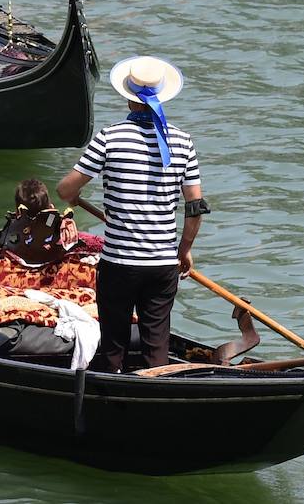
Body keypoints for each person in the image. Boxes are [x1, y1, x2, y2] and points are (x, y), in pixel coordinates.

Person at [56, 56, 208, 373]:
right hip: (163, 265)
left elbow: (64, 190)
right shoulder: (182, 141)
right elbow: (195, 206)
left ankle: (110, 399)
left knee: (113, 346)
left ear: (128, 96)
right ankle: (154, 401)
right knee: (157, 350)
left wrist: (73, 196)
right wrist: (185, 249)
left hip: (119, 263)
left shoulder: (109, 137)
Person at [12, 178, 78, 245]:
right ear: (50, 207)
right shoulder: (65, 238)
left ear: (18, 212)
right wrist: (52, 215)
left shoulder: (10, 238)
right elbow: (49, 222)